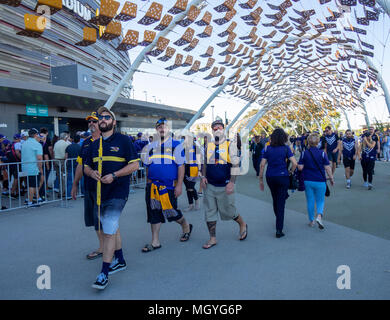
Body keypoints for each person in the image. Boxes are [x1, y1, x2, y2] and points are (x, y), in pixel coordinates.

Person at [84, 106, 139, 290]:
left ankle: (104, 274)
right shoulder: (93, 144)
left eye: (107, 117)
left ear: (114, 122)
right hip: (99, 194)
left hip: (118, 192)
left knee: (108, 231)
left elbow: (135, 165)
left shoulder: (123, 140)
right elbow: (85, 167)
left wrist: (115, 175)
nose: (103, 119)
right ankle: (120, 260)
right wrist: (91, 173)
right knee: (112, 228)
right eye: (100, 117)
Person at [140, 118, 192, 252]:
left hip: (169, 186)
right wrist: (148, 183)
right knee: (154, 212)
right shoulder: (150, 146)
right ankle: (155, 241)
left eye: (165, 127)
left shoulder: (176, 145)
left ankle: (185, 225)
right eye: (159, 127)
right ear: (156, 129)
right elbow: (147, 166)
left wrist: (179, 185)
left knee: (171, 212)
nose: (162, 129)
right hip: (153, 187)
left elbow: (181, 166)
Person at [200, 117, 247, 249]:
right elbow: (204, 162)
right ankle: (212, 238)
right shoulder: (208, 145)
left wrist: (232, 182)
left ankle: (242, 224)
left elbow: (236, 164)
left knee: (229, 211)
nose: (217, 129)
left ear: (224, 129)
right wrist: (203, 176)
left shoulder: (229, 145)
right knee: (209, 212)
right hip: (210, 185)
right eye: (214, 128)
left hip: (225, 185)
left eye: (220, 127)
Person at [259, 128, 297, 238]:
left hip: (270, 177)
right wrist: (291, 171)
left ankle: (278, 218)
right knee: (281, 202)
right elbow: (294, 163)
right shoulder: (286, 148)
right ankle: (279, 229)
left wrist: (260, 179)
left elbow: (262, 165)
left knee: (275, 199)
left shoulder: (267, 148)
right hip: (283, 176)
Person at [298, 133, 334, 229]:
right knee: (320, 200)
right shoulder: (322, 153)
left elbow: (300, 167)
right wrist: (331, 178)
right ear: (318, 142)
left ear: (308, 142)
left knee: (310, 200)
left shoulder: (304, 153)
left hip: (308, 180)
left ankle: (311, 220)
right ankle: (319, 216)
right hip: (320, 180)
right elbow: (327, 167)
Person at [21, 128, 44, 207]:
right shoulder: (37, 144)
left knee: (31, 184)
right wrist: (40, 169)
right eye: (38, 134)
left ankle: (31, 199)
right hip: (33, 167)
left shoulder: (24, 143)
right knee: (32, 185)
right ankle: (30, 203)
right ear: (35, 135)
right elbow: (39, 158)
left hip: (24, 167)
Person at [182, 135, 201, 212]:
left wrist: (199, 170)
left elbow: (199, 159)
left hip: (193, 168)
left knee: (191, 187)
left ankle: (196, 201)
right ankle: (190, 204)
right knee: (187, 188)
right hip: (185, 168)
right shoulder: (183, 148)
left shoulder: (196, 147)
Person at [65, 134, 81, 199]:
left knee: (69, 181)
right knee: (80, 180)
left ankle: (68, 195)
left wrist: (66, 165)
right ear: (79, 140)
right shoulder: (80, 147)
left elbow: (66, 157)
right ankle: (82, 193)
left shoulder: (68, 147)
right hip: (78, 166)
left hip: (70, 165)